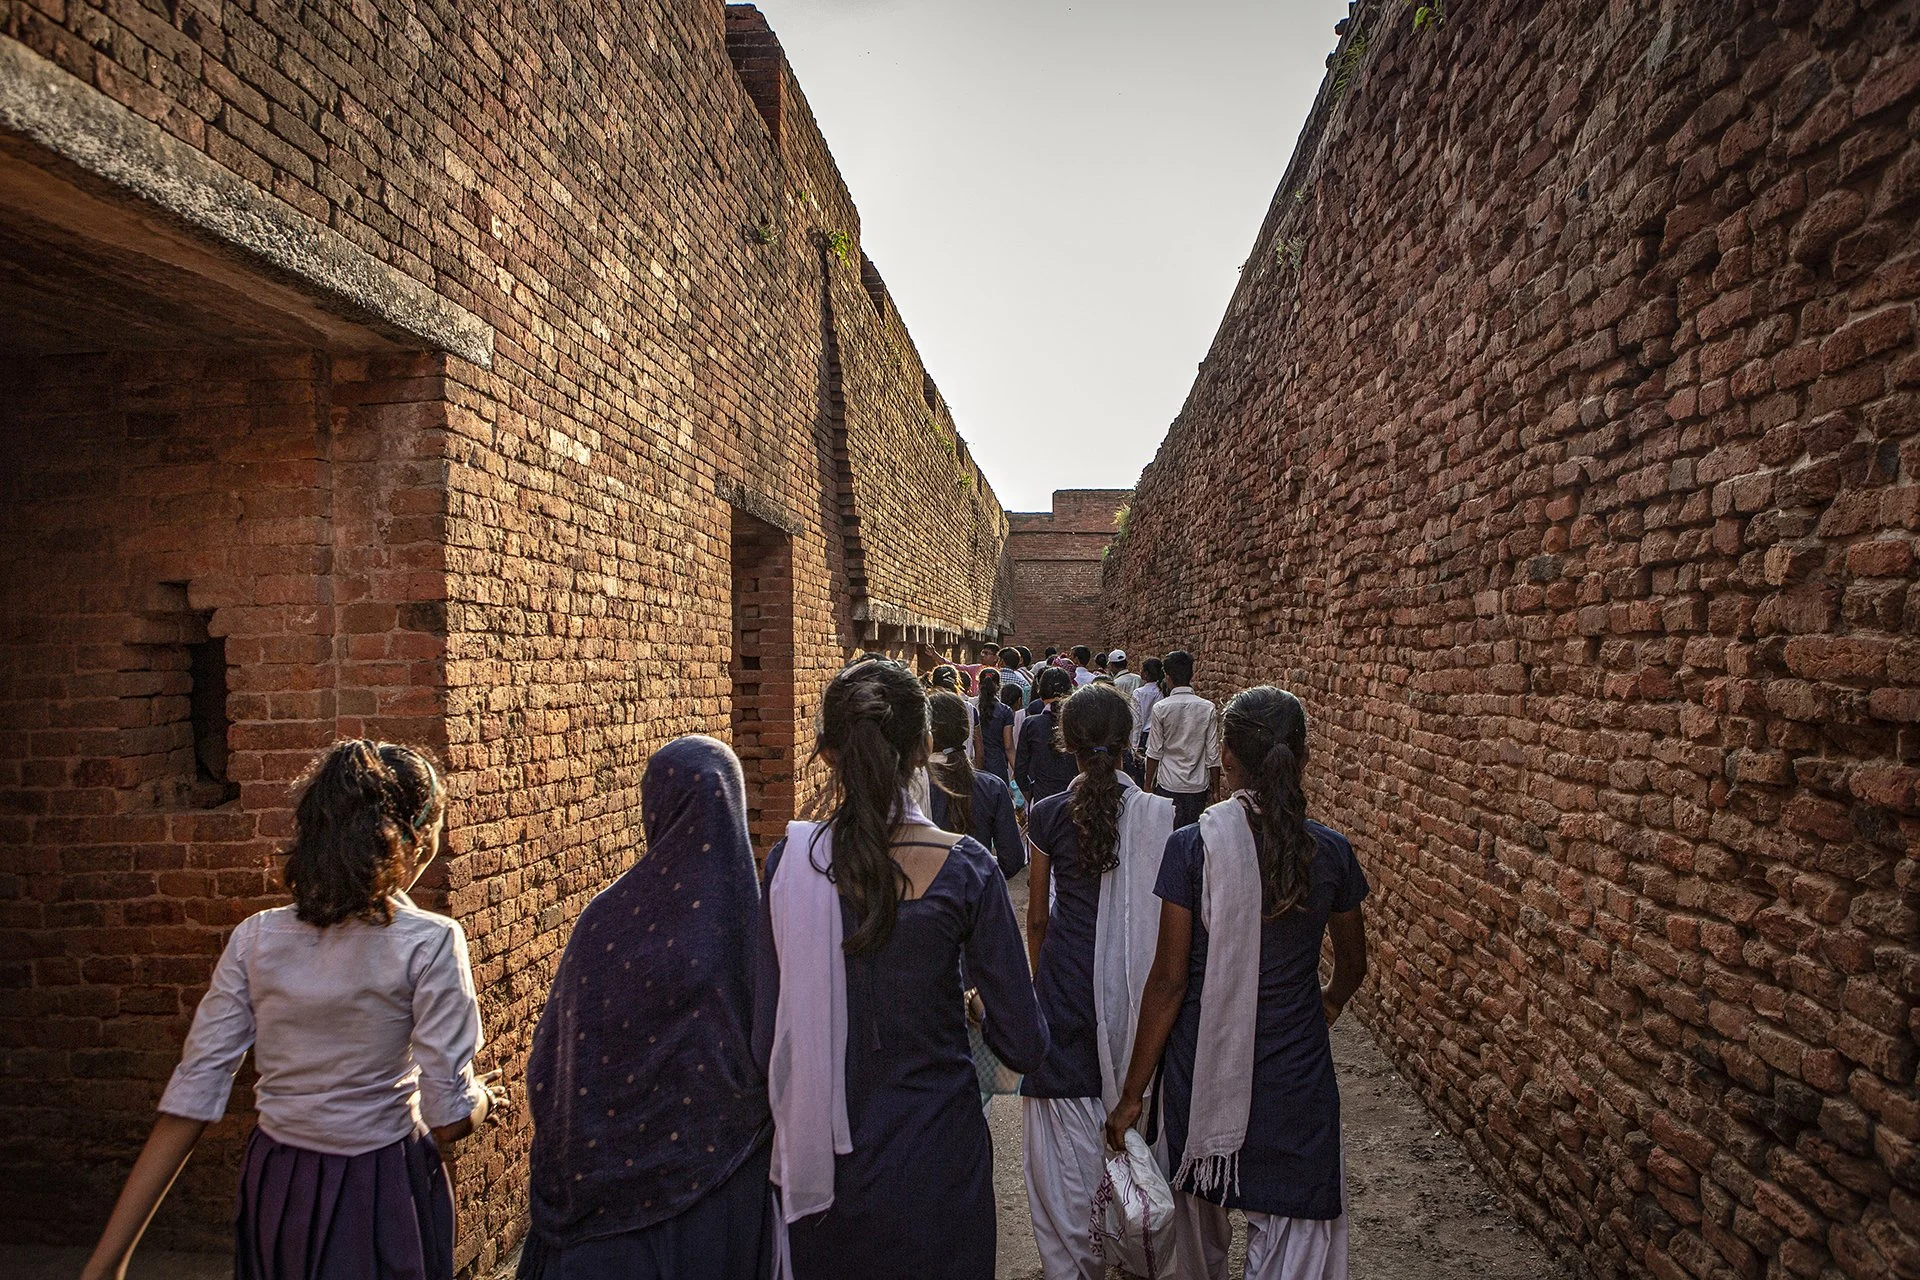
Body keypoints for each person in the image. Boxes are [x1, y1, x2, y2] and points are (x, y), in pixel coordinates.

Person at [79, 741, 501, 1280]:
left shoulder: (255, 939)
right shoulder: (431, 942)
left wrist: (108, 1261)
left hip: (277, 1184)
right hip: (381, 1186)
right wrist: (481, 1098)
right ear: (416, 839)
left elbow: (192, 1096)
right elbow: (449, 1119)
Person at [754, 658, 1047, 1279]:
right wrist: (975, 1009)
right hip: (937, 1161)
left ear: (826, 753)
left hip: (825, 1171)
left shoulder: (790, 867)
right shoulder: (967, 869)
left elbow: (764, 1039)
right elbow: (1025, 1040)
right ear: (924, 746)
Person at [1106, 687, 1369, 1280]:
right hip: (1295, 1072)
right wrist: (1326, 1005)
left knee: (1196, 1220)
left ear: (1227, 758)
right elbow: (1353, 965)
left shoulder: (1192, 850)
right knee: (1296, 1228)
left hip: (1203, 1068)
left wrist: (1132, 1096)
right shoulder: (1329, 852)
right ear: (1303, 758)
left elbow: (1168, 982)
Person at [518, 736, 774, 1280]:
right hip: (719, 1185)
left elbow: (552, 1063)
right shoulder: (752, 929)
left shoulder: (604, 921)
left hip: (600, 1207)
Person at [1020, 686, 1176, 1280]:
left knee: (1064, 1130)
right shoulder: (1161, 816)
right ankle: (1130, 1234)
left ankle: (1075, 1257)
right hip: (1136, 989)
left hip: (1066, 980)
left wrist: (1041, 981)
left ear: (1068, 745)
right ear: (1130, 739)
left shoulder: (1048, 813)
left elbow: (1038, 917)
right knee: (1128, 1113)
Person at [928, 691, 1024, 879]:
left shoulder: (909, 787)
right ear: (967, 731)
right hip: (978, 890)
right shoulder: (992, 787)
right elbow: (1012, 860)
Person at [1145, 650, 1220, 829]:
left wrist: (1147, 784)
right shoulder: (1207, 708)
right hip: (1197, 786)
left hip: (1168, 784)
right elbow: (1213, 754)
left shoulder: (1161, 708)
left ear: (1167, 677)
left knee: (1168, 833)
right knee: (1193, 835)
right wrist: (1216, 790)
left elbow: (1154, 751)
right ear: (1191, 675)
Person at [1015, 666, 1080, 809]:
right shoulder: (1079, 723)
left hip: (1042, 800)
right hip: (1075, 801)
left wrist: (1032, 796)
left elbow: (1020, 771)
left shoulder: (1032, 724)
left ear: (1041, 692)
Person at [973, 668, 1016, 783]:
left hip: (974, 763)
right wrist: (1018, 770)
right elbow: (1008, 746)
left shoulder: (971, 707)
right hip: (997, 765)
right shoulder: (1005, 711)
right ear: (998, 686)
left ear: (979, 685)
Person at [1131, 657, 1166, 752]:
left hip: (1145, 737)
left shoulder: (1139, 693)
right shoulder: (1163, 691)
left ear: (1146, 673)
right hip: (1161, 736)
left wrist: (1134, 745)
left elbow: (1137, 720)